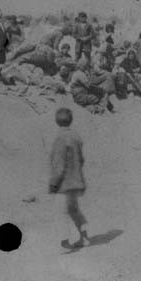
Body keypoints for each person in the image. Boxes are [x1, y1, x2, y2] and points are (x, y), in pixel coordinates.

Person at [48, 107, 91, 249]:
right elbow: (81, 159)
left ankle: (64, 241)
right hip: (77, 180)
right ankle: (84, 237)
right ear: (71, 121)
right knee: (74, 210)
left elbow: (59, 165)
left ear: (56, 121)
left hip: (64, 183)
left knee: (60, 211)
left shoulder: (60, 138)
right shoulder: (76, 136)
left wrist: (54, 183)